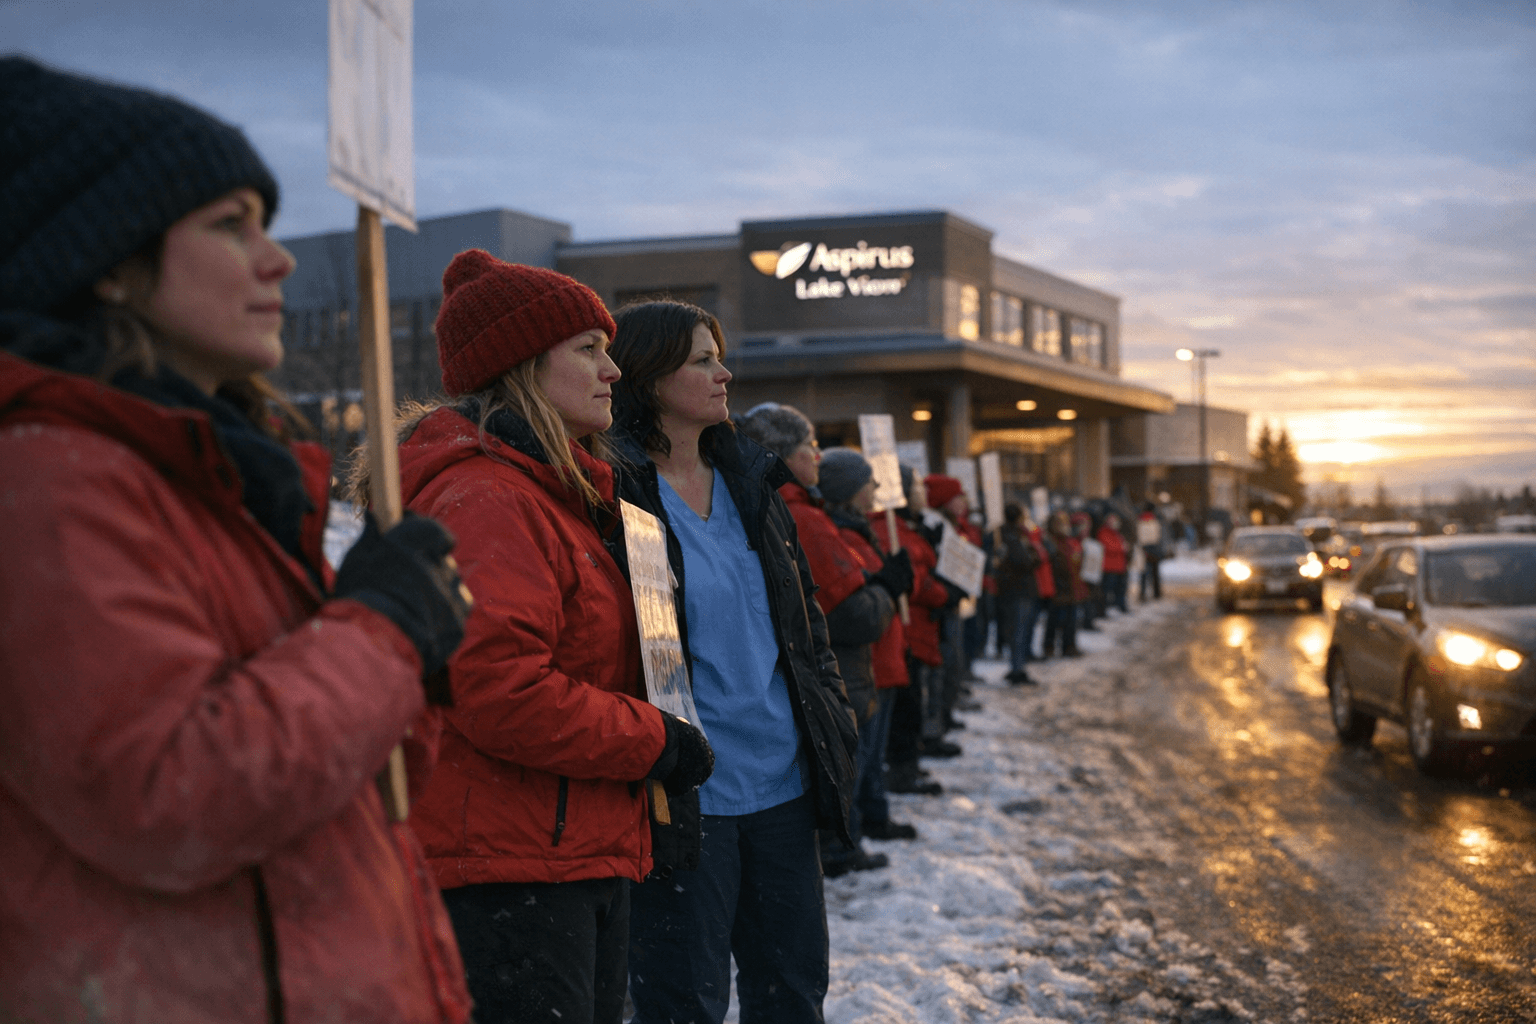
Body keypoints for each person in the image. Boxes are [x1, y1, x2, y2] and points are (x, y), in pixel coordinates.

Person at [0, 58, 474, 1023]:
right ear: (109, 259)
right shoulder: (51, 480)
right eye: (230, 224)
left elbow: (362, 784)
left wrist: (411, 649)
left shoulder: (223, 476)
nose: (279, 258)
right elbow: (167, 796)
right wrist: (382, 632)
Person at [394, 256, 714, 1024]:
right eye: (586, 349)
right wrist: (655, 739)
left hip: (570, 852)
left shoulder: (560, 495)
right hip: (511, 872)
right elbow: (498, 689)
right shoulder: (489, 499)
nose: (611, 370)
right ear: (522, 366)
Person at [606, 304, 859, 1024]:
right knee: (682, 1002)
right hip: (687, 799)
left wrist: (833, 723)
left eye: (718, 355)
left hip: (783, 785)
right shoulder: (614, 490)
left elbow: (803, 625)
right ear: (649, 378)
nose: (724, 373)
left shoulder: (752, 482)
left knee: (792, 992)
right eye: (700, 360)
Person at [816, 448, 916, 864]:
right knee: (858, 759)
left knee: (870, 756)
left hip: (876, 662)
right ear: (852, 490)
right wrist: (888, 586)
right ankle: (847, 840)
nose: (875, 488)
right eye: (868, 481)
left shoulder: (859, 532)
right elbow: (853, 610)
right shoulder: (838, 535)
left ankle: (863, 824)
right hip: (860, 663)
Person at [885, 466, 950, 795]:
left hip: (919, 629)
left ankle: (908, 765)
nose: (922, 496)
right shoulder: (892, 532)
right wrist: (942, 592)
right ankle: (902, 770)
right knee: (905, 708)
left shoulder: (909, 530)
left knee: (912, 704)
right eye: (916, 489)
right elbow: (915, 581)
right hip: (907, 632)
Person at [995, 502, 1043, 684]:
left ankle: (1017, 666)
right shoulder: (1012, 536)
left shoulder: (1006, 534)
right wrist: (1033, 555)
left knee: (1017, 630)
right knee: (1019, 631)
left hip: (1012, 589)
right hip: (1019, 590)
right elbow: (1027, 560)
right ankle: (1017, 668)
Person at [1043, 510, 1086, 657]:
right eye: (1060, 523)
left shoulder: (1070, 542)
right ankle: (1049, 646)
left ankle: (1069, 646)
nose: (1064, 526)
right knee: (1054, 620)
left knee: (1071, 621)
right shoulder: (1051, 542)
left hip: (1071, 586)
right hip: (1058, 587)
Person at [1098, 512, 1130, 614]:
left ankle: (1120, 606)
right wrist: (1121, 547)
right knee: (1106, 590)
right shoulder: (1103, 532)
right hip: (1109, 567)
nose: (1115, 523)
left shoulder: (1117, 533)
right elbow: (1108, 546)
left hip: (1119, 566)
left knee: (1120, 589)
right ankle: (1103, 610)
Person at [1137, 502, 1165, 601]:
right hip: (1154, 547)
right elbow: (1159, 535)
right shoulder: (1155, 520)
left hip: (1143, 548)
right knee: (1155, 572)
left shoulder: (1139, 520)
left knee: (1144, 573)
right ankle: (1156, 593)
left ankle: (1142, 594)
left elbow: (1138, 536)